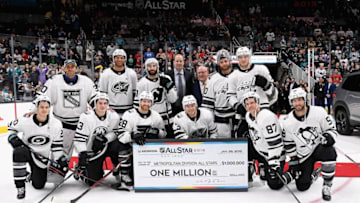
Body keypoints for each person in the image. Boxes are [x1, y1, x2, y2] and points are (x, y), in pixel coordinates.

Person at [29, 59, 97, 159]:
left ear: (76, 68)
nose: (70, 69)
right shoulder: (53, 82)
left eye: (72, 67)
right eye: (68, 67)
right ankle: (57, 173)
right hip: (63, 126)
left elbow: (96, 97)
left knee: (87, 156)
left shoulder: (86, 82)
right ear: (64, 68)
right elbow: (42, 97)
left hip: (81, 127)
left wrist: (105, 110)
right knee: (60, 158)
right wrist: (32, 110)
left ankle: (84, 172)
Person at [281, 88, 337, 201]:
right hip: (304, 155)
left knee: (329, 151)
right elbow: (289, 144)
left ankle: (327, 185)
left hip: (318, 147)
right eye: (294, 100)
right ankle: (313, 174)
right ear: (291, 102)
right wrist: (294, 162)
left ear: (305, 99)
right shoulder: (287, 121)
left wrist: (328, 137)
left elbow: (331, 129)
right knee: (302, 186)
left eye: (299, 100)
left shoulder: (319, 112)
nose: (297, 103)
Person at [8, 95, 66, 199]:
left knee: (39, 185)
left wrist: (60, 158)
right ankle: (20, 187)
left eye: (46, 107)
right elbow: (10, 127)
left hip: (41, 157)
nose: (44, 109)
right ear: (37, 108)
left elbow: (56, 145)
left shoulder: (56, 124)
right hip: (27, 151)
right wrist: (13, 138)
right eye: (41, 107)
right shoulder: (25, 120)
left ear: (49, 108)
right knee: (18, 152)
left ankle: (28, 175)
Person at [116, 91, 166, 189]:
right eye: (144, 101)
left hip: (148, 152)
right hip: (132, 150)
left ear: (152, 103)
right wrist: (132, 135)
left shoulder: (156, 115)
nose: (146, 104)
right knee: (121, 145)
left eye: (148, 101)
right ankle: (124, 173)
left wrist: (157, 132)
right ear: (139, 101)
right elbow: (121, 135)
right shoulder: (129, 114)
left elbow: (163, 134)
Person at [227, 46, 278, 137]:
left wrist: (266, 85)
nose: (243, 59)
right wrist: (237, 106)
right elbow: (230, 96)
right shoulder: (232, 76)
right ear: (237, 58)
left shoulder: (261, 69)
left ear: (250, 57)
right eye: (240, 57)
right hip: (243, 115)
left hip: (263, 111)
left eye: (245, 56)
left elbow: (274, 95)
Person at [73, 93, 121, 186]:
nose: (103, 105)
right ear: (95, 103)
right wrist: (82, 153)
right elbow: (79, 138)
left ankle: (117, 167)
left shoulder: (114, 116)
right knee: (93, 181)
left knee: (119, 145)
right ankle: (80, 169)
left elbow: (115, 133)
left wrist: (105, 139)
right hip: (92, 151)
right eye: (100, 103)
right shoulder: (86, 117)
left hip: (106, 147)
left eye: (105, 103)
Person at [242, 92, 284, 189]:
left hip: (274, 155)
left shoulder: (266, 117)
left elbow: (276, 144)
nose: (250, 106)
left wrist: (274, 164)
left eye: (252, 103)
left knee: (274, 184)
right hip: (261, 152)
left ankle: (290, 172)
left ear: (258, 103)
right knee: (245, 143)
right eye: (247, 104)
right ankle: (253, 168)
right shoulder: (248, 116)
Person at [135, 58, 177, 138]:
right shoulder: (141, 83)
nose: (152, 68)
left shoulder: (166, 78)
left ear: (157, 67)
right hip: (151, 120)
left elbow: (173, 99)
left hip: (168, 119)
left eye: (154, 66)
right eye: (149, 66)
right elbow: (138, 105)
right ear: (146, 68)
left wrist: (169, 88)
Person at [202, 49, 236, 138]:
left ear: (230, 61)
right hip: (220, 123)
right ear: (218, 64)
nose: (224, 64)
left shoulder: (238, 76)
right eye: (221, 62)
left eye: (226, 61)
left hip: (237, 120)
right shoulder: (212, 79)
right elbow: (207, 106)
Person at [99, 49, 137, 115]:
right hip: (111, 110)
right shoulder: (106, 73)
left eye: (122, 58)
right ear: (113, 59)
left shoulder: (132, 73)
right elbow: (102, 93)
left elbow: (135, 92)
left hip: (128, 110)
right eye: (117, 57)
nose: (119, 60)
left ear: (125, 59)